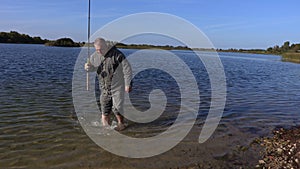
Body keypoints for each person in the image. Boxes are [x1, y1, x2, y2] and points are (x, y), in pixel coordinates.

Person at [85, 38, 132, 131]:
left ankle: (121, 124)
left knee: (117, 108)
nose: (99, 51)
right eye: (97, 49)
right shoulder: (95, 56)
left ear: (105, 46)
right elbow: (91, 68)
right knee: (105, 109)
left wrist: (128, 84)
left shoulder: (117, 54)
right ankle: (106, 130)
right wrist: (87, 67)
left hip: (118, 86)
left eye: (101, 49)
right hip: (104, 87)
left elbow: (127, 70)